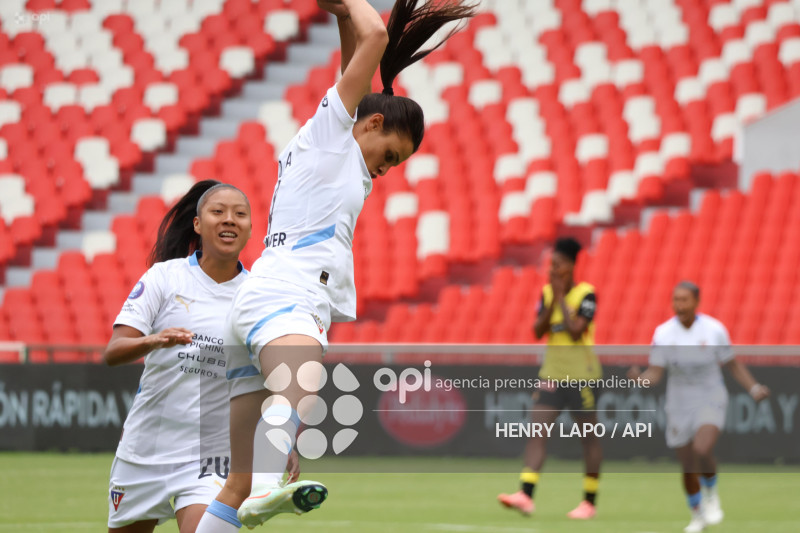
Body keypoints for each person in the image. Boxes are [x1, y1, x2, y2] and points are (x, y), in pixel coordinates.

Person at [194, 1, 478, 531]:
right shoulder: (331, 140)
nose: (388, 169)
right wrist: (350, 6)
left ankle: (260, 481)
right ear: (372, 122)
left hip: (260, 299)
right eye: (390, 154)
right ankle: (266, 486)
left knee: (235, 480)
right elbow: (371, 38)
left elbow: (356, 56)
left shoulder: (342, 153)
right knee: (300, 385)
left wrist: (339, 21)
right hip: (287, 297)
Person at [105, 180, 271, 533]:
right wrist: (154, 341)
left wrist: (285, 436)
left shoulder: (258, 296)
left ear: (250, 228)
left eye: (240, 214)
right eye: (218, 212)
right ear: (198, 224)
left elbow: (271, 379)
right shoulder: (165, 277)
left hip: (209, 458)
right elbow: (114, 351)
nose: (230, 220)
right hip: (143, 451)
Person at [628, 281, 769, 533]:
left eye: (684, 300)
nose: (679, 305)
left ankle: (711, 493)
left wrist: (754, 388)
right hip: (678, 400)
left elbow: (732, 365)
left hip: (709, 395)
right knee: (687, 464)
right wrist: (640, 379)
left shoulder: (714, 330)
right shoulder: (663, 333)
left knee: (702, 449)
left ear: (696, 301)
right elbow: (656, 374)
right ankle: (697, 515)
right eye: (675, 300)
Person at [498, 237, 602, 520]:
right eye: (551, 265)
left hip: (582, 376)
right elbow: (537, 330)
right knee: (537, 431)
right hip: (552, 374)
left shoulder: (586, 294)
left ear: (571, 266)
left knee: (588, 440)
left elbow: (576, 331)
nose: (553, 270)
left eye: (558, 265)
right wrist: (551, 299)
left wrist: (560, 299)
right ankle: (526, 494)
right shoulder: (546, 292)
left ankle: (589, 502)